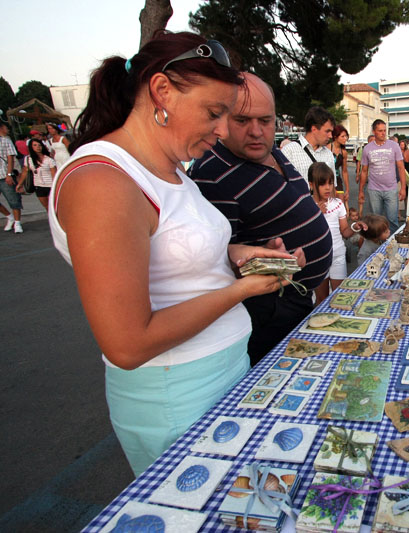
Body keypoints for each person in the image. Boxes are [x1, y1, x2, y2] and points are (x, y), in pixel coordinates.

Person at [48, 32, 298, 476]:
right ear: (161, 90)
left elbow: (183, 254)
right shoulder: (102, 182)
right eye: (214, 113)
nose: (223, 131)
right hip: (177, 396)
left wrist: (246, 255)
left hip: (223, 374)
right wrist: (242, 290)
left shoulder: (171, 170)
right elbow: (128, 343)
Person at [189, 72, 332, 365]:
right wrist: (263, 261)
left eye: (265, 121)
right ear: (222, 119)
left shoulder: (274, 153)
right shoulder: (213, 173)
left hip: (298, 298)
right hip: (269, 311)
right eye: (242, 120)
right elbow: (211, 266)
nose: (256, 131)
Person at [308, 162, 366, 303]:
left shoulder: (338, 204)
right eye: (322, 184)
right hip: (318, 258)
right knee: (321, 299)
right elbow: (306, 236)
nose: (328, 188)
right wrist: (316, 216)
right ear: (311, 184)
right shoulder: (306, 206)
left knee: (339, 296)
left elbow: (344, 232)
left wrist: (354, 228)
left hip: (338, 254)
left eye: (330, 183)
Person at [358, 119, 406, 234]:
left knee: (392, 220)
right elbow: (364, 171)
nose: (383, 133)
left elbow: (400, 167)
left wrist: (403, 188)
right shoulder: (367, 149)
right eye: (380, 131)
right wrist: (361, 191)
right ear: (374, 131)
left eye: (385, 130)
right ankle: (377, 245)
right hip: (374, 189)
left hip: (391, 189)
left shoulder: (394, 146)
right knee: (375, 221)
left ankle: (392, 243)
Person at [281, 106, 336, 187]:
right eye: (327, 131)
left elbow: (332, 187)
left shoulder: (328, 154)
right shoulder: (289, 152)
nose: (331, 136)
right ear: (314, 129)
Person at [19, 138, 56, 211]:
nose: (38, 147)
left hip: (50, 185)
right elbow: (25, 172)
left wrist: (55, 185)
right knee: (47, 207)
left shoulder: (48, 159)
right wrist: (20, 184)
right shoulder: (28, 159)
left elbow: (53, 173)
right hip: (38, 185)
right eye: (35, 145)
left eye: (39, 145)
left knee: (53, 206)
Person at [0, 122, 23, 233]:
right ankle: (10, 217)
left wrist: (9, 174)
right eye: (6, 127)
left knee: (13, 199)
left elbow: (10, 159)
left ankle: (17, 223)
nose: (7, 129)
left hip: (4, 174)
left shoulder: (6, 141)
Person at [330, 124, 350, 207]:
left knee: (340, 206)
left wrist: (347, 189)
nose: (345, 138)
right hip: (327, 180)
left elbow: (344, 171)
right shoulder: (327, 148)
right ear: (335, 136)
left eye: (346, 136)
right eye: (343, 136)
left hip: (338, 180)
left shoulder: (344, 152)